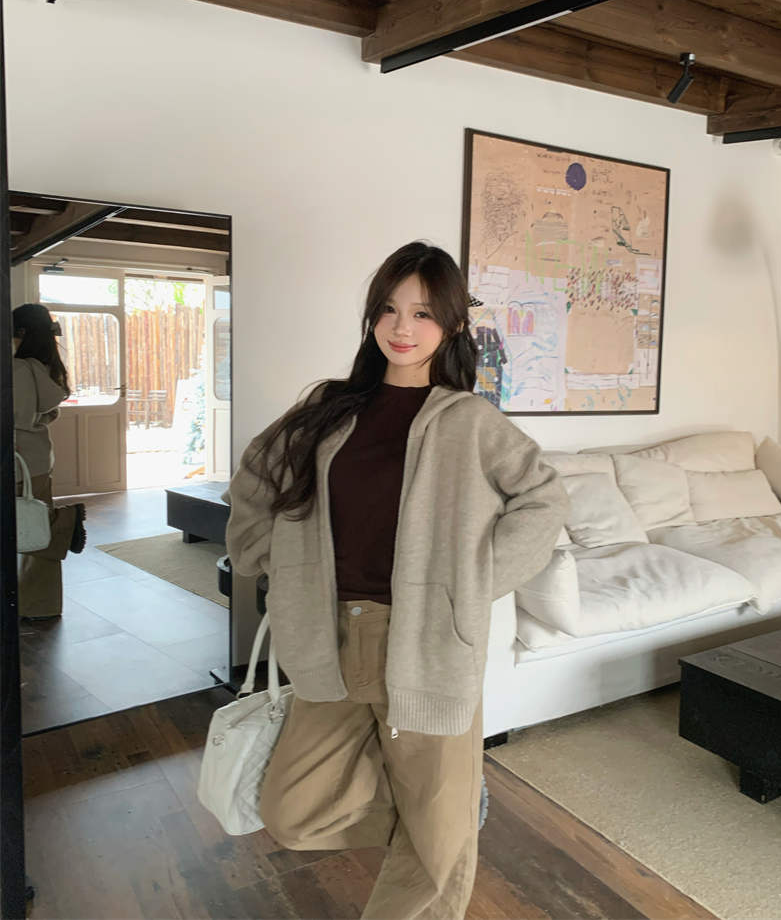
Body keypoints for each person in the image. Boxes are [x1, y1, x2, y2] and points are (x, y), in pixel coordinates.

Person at [225, 241, 567, 920]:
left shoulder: (468, 421)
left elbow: (545, 499)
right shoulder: (329, 408)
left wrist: (471, 582)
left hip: (427, 643)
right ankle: (448, 812)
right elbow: (255, 478)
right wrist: (270, 559)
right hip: (327, 637)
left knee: (437, 853)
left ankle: (445, 820)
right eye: (388, 308)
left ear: (452, 325)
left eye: (422, 313)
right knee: (292, 810)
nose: (401, 327)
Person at [13, 303, 87, 620]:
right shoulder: (43, 365)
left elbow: (17, 417)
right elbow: (45, 412)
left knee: (34, 532)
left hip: (20, 460)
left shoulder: (19, 368)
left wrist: (33, 420)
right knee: (34, 528)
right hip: (36, 458)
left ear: (21, 332)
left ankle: (63, 524)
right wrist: (38, 420)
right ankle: (39, 604)